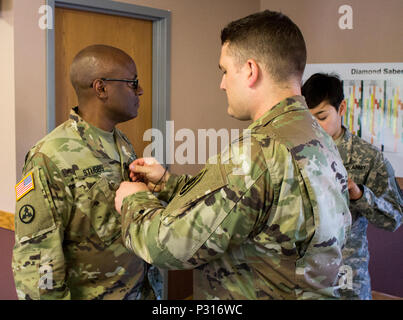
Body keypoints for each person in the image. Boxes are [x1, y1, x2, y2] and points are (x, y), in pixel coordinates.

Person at [115, 10, 351, 300]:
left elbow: (169, 247)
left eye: (225, 71)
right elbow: (247, 202)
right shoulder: (317, 135)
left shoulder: (259, 151)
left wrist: (133, 200)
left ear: (251, 70)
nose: (222, 84)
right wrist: (166, 182)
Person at [12, 44, 161, 300]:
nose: (140, 90)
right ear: (101, 88)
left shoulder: (121, 142)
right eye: (132, 82)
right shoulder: (48, 157)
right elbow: (36, 264)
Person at [301, 73, 403, 300]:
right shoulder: (296, 154)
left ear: (342, 108)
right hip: (305, 276)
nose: (315, 127)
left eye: (322, 117)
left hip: (348, 276)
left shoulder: (367, 157)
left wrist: (359, 196)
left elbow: (394, 217)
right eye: (309, 120)